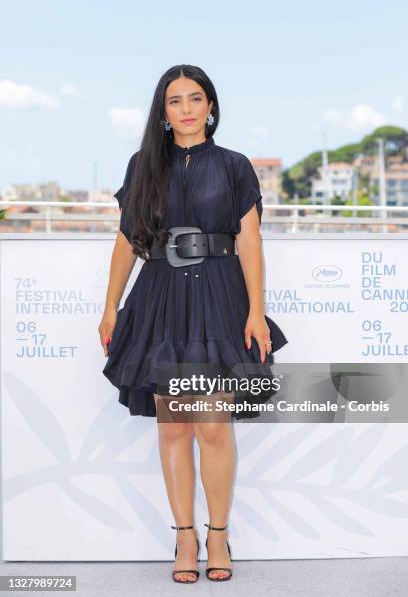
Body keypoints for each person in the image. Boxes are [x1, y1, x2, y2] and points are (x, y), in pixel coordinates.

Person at [99, 64, 288, 583]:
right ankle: (184, 538)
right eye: (174, 101)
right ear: (163, 112)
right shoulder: (143, 165)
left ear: (211, 106)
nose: (185, 109)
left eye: (195, 98)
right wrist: (110, 305)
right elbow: (126, 240)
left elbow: (249, 240)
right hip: (160, 298)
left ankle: (220, 534)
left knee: (213, 426)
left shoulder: (233, 165)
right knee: (175, 428)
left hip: (220, 298)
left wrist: (255, 309)